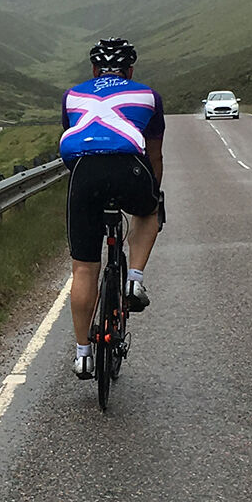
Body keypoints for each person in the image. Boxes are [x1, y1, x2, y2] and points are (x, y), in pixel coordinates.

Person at [59, 37, 164, 378]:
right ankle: (134, 279)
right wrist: (153, 192)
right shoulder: (148, 96)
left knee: (83, 269)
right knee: (149, 209)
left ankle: (83, 355)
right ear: (130, 70)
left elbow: (74, 140)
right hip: (130, 168)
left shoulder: (72, 95)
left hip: (85, 174)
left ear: (93, 70)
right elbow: (154, 154)